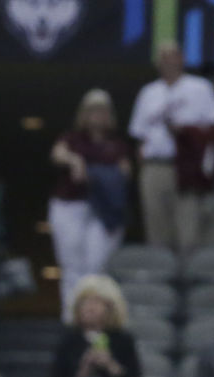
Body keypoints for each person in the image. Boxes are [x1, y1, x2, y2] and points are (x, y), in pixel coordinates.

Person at [129, 42, 214, 254]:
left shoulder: (199, 87)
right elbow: (139, 135)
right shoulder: (149, 92)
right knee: (156, 226)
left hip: (187, 166)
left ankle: (188, 279)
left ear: (182, 58)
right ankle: (161, 279)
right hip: (155, 165)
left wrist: (185, 133)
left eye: (173, 55)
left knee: (188, 227)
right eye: (164, 56)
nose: (169, 61)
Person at [51, 90, 132, 320]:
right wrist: (74, 160)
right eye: (93, 110)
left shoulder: (116, 145)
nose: (98, 115)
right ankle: (71, 319)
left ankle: (96, 318)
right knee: (72, 266)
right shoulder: (72, 139)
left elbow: (125, 173)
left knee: (96, 268)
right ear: (84, 114)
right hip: (71, 205)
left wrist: (96, 174)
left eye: (103, 111)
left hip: (105, 211)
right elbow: (57, 154)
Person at [50, 275, 143, 377]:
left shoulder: (123, 340)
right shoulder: (68, 341)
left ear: (110, 307)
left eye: (96, 302)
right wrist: (85, 367)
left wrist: (110, 365)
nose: (90, 308)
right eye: (84, 301)